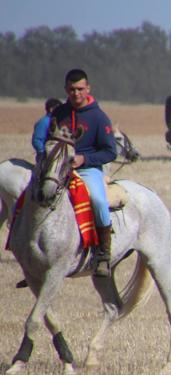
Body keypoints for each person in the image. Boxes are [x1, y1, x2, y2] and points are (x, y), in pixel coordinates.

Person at [52, 68, 117, 277]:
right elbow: (47, 140)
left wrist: (84, 159)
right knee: (33, 194)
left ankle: (103, 255)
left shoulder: (99, 117)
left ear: (87, 88)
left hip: (88, 170)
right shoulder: (59, 113)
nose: (76, 93)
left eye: (80, 89)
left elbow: (110, 152)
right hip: (59, 169)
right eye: (71, 89)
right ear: (65, 89)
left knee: (98, 200)